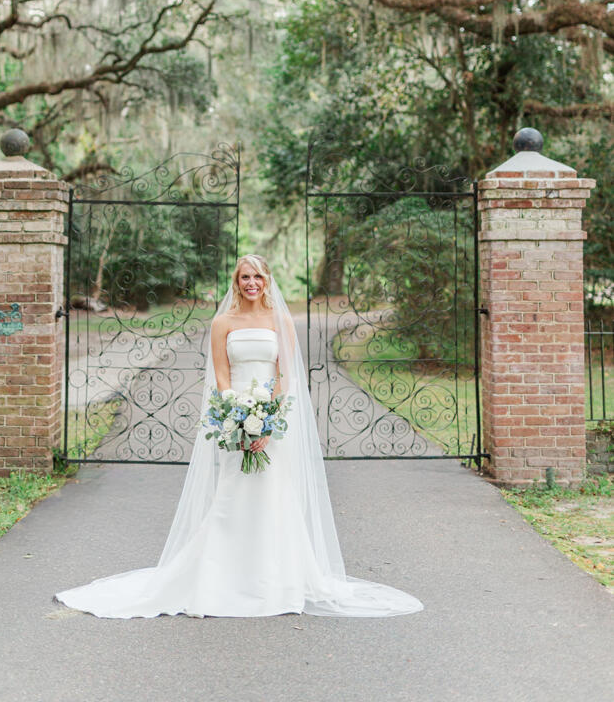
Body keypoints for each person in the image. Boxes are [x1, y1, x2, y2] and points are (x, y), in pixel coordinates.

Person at [54, 254, 423, 618]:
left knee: (275, 492)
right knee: (233, 490)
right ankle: (220, 578)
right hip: (234, 418)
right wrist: (237, 418)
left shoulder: (281, 320)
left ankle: (279, 580)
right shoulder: (223, 323)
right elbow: (222, 376)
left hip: (273, 415)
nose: (251, 284)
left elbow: (285, 375)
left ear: (267, 282)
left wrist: (267, 423)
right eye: (245, 277)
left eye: (258, 277)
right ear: (237, 281)